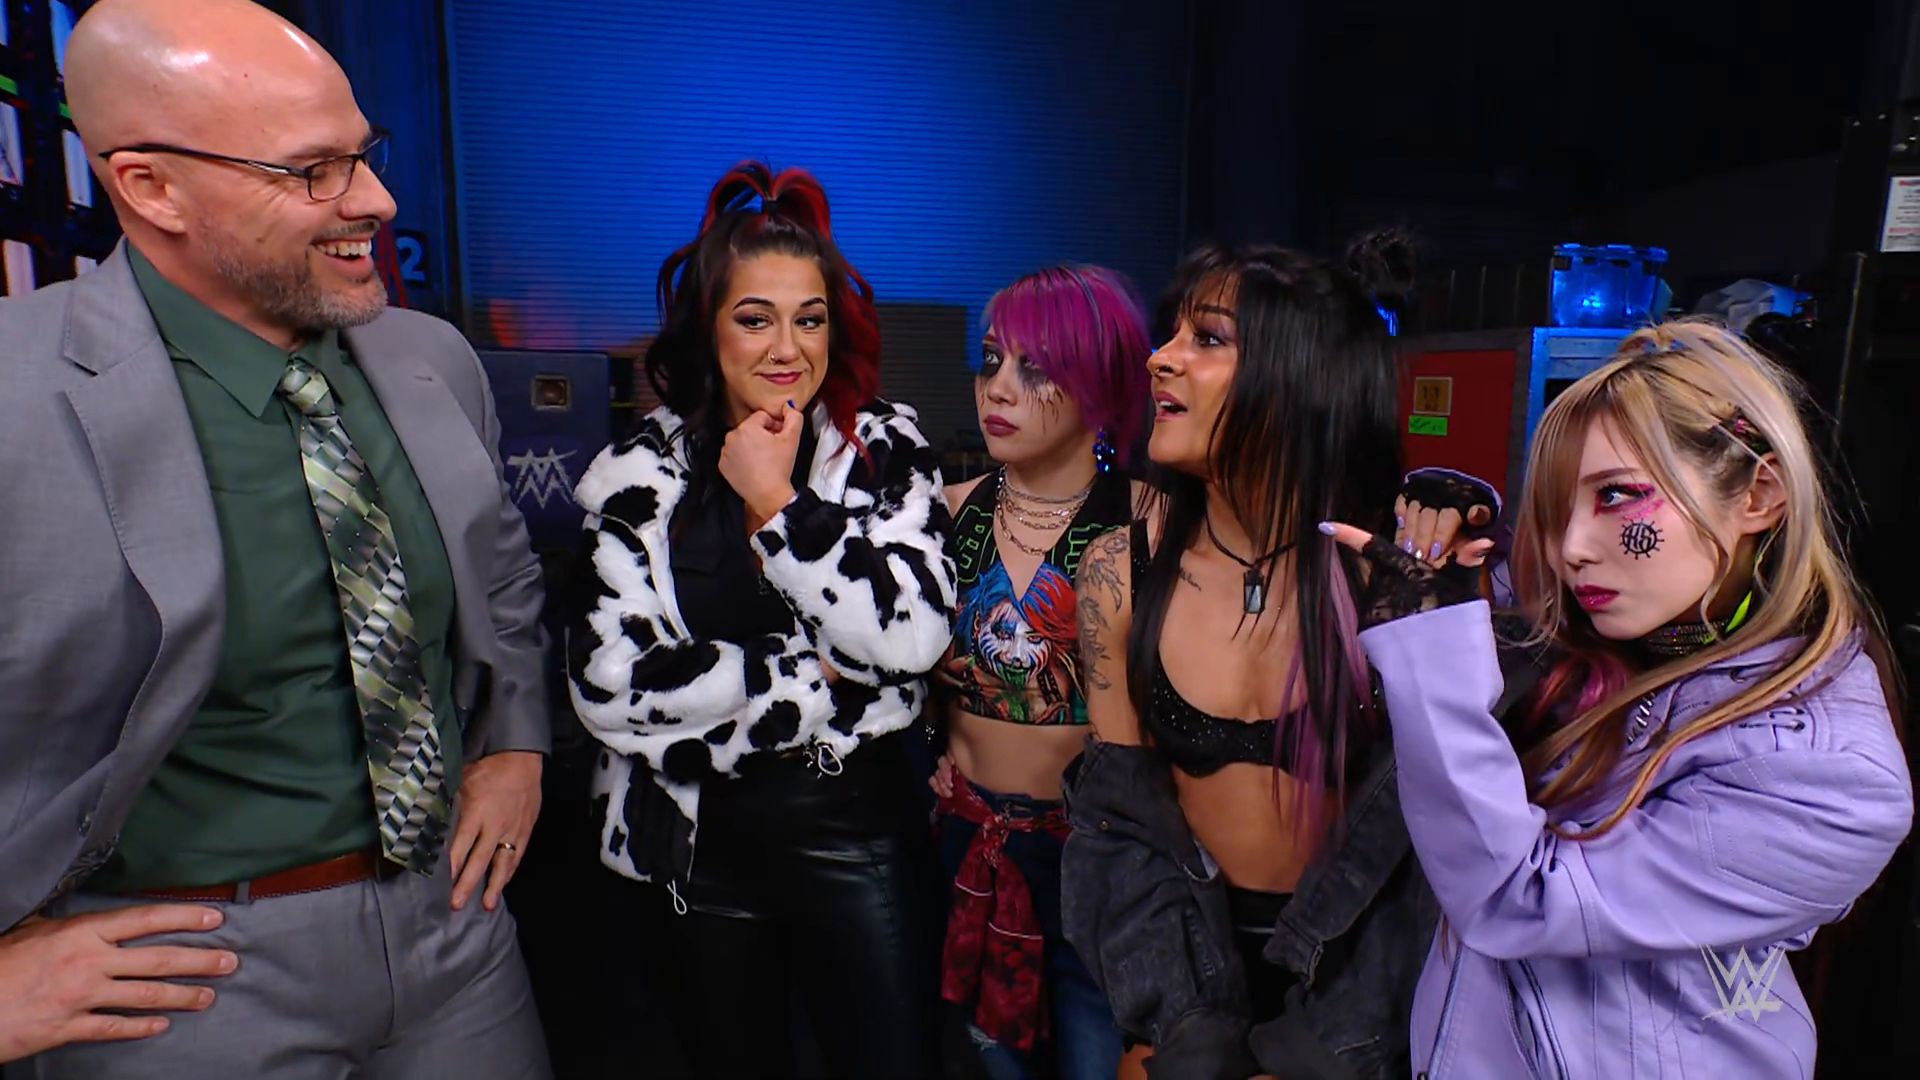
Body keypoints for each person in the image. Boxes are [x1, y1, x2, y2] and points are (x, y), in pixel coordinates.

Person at [0, 0, 552, 1074]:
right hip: (176, 977)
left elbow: (503, 574)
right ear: (150, 187)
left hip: (455, 930)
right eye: (313, 172)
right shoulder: (17, 390)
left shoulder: (431, 359)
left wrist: (517, 745)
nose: (377, 200)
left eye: (364, 153)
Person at [1319, 319, 1913, 1077]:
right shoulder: (1645, 639)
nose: (1572, 547)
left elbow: (1517, 898)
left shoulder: (1833, 777)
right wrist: (1457, 575)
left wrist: (1431, 651)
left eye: (1617, 496)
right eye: (1559, 507)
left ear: (1760, 494)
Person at [567, 162, 957, 1079]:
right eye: (755, 319)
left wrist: (780, 505)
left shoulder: (882, 447)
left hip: (854, 829)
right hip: (692, 845)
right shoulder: (637, 474)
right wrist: (809, 679)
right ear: (709, 327)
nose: (788, 348)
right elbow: (610, 688)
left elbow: (910, 638)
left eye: (809, 319)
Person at [1063, 236, 1464, 1080]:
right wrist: (1172, 1030)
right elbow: (1121, 830)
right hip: (1184, 969)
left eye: (1207, 338)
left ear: (1297, 378)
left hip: (1357, 998)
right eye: (1172, 332)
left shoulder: (1387, 589)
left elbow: (1429, 863)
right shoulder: (1119, 571)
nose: (1160, 358)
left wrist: (1317, 1053)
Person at [927, 265, 1150, 1080]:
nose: (999, 387)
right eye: (992, 360)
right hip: (969, 843)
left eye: (1037, 367)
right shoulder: (946, 512)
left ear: (1101, 383)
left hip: (1098, 856)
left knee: (1096, 1057)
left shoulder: (1150, 521)